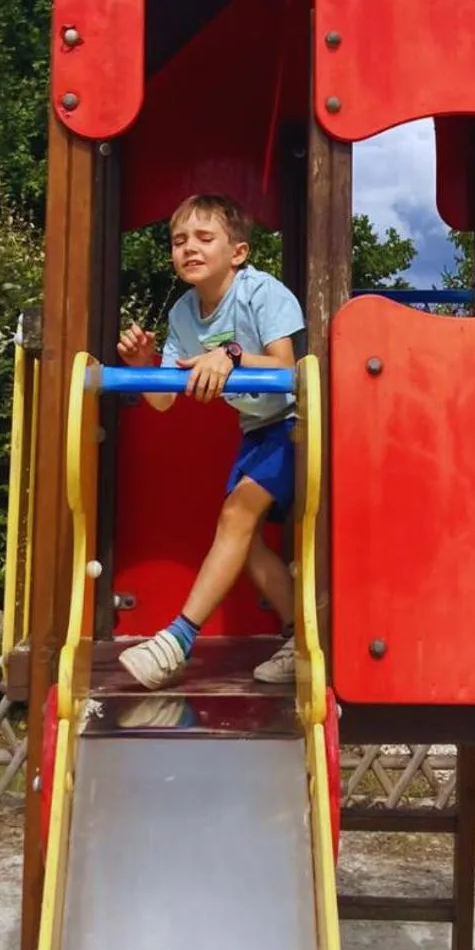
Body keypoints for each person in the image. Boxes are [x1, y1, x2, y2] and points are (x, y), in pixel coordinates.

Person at [115, 193, 303, 689]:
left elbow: (286, 366)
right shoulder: (182, 314)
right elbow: (163, 401)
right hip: (256, 430)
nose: (189, 249)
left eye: (204, 238)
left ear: (237, 252)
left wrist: (232, 354)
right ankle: (300, 642)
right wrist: (144, 367)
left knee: (235, 517)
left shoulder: (261, 292)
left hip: (295, 423)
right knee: (248, 543)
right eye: (179, 241)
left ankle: (177, 638)